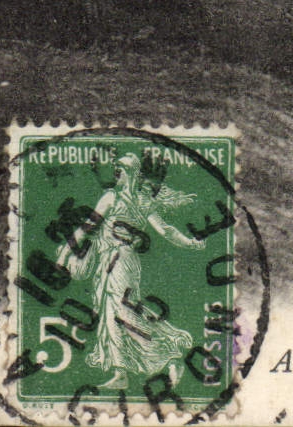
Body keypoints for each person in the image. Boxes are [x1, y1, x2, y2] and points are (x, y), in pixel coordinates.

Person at [55, 152, 207, 390]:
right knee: (111, 313)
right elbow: (165, 230)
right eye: (117, 170)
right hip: (116, 262)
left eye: (121, 170)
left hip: (119, 261)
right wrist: (191, 243)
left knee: (123, 313)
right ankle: (121, 372)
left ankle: (168, 357)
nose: (117, 173)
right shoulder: (139, 202)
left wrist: (65, 255)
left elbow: (86, 229)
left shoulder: (112, 197)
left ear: (131, 174)